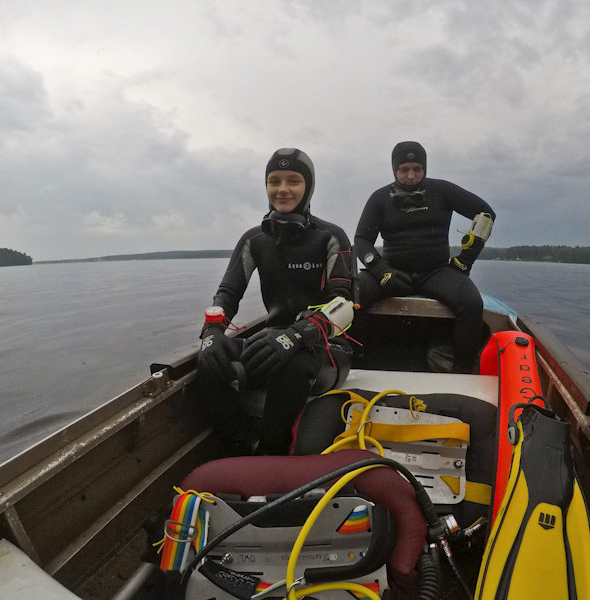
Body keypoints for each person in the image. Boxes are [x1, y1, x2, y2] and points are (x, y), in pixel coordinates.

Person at [197, 148, 354, 456]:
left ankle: (272, 453)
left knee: (292, 363)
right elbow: (228, 294)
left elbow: (344, 306)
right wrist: (211, 333)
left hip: (326, 350)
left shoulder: (331, 236)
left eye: (293, 181)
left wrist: (296, 336)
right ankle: (237, 450)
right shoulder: (254, 240)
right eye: (274, 181)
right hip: (274, 342)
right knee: (209, 361)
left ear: (308, 187)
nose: (283, 189)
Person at [354, 141, 495, 373]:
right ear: (394, 170)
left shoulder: (442, 191)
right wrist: (381, 271)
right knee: (353, 294)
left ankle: (462, 370)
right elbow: (361, 240)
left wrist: (465, 260)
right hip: (392, 272)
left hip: (436, 272)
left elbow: (486, 214)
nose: (411, 176)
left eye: (417, 169)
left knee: (471, 303)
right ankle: (357, 363)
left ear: (425, 169)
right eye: (404, 170)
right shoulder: (380, 198)